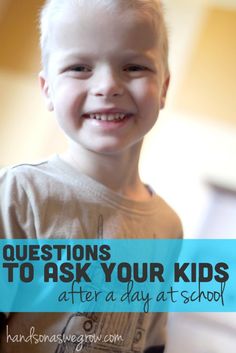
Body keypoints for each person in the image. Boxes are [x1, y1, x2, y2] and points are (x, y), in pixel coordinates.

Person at [0, 0, 183, 352]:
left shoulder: (168, 225)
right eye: (80, 67)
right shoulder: (19, 194)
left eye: (133, 66)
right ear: (47, 88)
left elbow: (150, 340)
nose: (107, 86)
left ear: (163, 87)